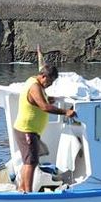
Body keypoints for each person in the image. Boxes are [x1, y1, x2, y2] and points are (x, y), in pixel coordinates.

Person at [14, 65, 75, 194]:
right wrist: (65, 111)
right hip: (27, 130)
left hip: (29, 130)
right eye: (50, 81)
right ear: (43, 76)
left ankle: (22, 189)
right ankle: (28, 193)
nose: (50, 85)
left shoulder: (35, 82)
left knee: (29, 161)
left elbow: (38, 101)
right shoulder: (35, 86)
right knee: (31, 162)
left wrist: (48, 99)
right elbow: (44, 107)